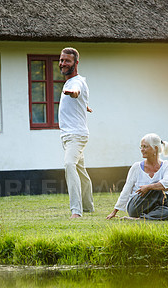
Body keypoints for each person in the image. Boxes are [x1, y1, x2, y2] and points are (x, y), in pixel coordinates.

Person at [106, 133, 168, 221]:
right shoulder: (136, 167)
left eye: (145, 147)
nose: (142, 150)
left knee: (167, 212)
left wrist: (148, 187)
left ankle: (140, 219)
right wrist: (114, 211)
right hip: (136, 207)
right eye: (141, 147)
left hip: (153, 207)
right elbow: (127, 189)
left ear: (155, 148)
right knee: (159, 186)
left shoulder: (166, 165)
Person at [58, 47, 94, 219]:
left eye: (67, 61)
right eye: (61, 60)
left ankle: (76, 211)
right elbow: (79, 99)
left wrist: (73, 94)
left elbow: (77, 92)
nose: (63, 63)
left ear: (76, 63)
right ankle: (88, 206)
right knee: (81, 172)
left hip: (76, 136)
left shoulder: (75, 83)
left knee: (69, 165)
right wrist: (84, 105)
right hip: (68, 136)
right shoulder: (70, 82)